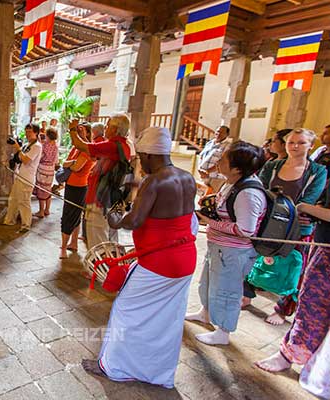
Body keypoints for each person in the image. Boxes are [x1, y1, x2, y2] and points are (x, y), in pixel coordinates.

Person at [81, 126, 197, 388]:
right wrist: (139, 187)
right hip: (185, 259)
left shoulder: (154, 181)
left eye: (141, 157)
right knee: (167, 319)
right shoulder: (187, 177)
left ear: (150, 155)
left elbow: (134, 220)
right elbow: (176, 213)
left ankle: (115, 366)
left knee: (126, 311)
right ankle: (156, 372)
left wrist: (115, 217)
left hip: (158, 262)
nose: (140, 163)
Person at [186, 141, 267, 345]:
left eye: (224, 159)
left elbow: (246, 230)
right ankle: (205, 312)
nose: (219, 162)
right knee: (209, 283)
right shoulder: (233, 183)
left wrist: (209, 222)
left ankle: (223, 331)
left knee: (226, 290)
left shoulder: (248, 193)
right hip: (220, 248)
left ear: (237, 168)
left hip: (233, 252)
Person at [255, 188, 330, 374]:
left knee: (313, 306)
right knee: (309, 304)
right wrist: (313, 213)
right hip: (323, 244)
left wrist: (305, 207)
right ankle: (294, 354)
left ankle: (290, 354)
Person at [257, 128, 326, 325]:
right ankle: (247, 292)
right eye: (291, 142)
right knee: (259, 259)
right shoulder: (273, 166)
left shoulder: (317, 172)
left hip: (298, 228)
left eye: (301, 143)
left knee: (293, 268)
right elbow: (261, 190)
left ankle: (282, 309)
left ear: (311, 146)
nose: (295, 146)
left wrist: (295, 213)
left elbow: (309, 199)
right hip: (269, 222)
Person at [69, 114, 132, 248]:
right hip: (110, 199)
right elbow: (92, 151)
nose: (106, 129)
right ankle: (106, 266)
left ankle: (100, 267)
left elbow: (81, 146)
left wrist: (72, 130)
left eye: (108, 126)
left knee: (98, 242)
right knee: (107, 238)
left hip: (100, 201)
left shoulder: (113, 146)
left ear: (115, 129)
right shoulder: (123, 145)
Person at [59, 123, 95, 259]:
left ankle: (63, 248)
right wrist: (71, 162)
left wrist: (71, 163)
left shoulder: (87, 149)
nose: (77, 133)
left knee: (70, 215)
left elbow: (76, 167)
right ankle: (73, 243)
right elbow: (65, 163)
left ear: (87, 133)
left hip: (78, 187)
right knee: (74, 214)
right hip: (72, 184)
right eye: (76, 130)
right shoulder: (76, 147)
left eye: (81, 130)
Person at [3, 124, 42, 233]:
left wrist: (17, 147)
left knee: (24, 202)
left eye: (30, 132)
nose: (27, 134)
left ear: (36, 132)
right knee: (13, 199)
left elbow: (26, 160)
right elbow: (19, 159)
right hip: (19, 175)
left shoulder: (37, 146)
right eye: (26, 131)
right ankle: (10, 220)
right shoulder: (27, 144)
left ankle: (26, 225)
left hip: (27, 178)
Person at [198, 126, 232, 193]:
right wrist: (200, 169)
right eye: (218, 131)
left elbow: (223, 162)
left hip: (216, 178)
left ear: (227, 135)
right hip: (203, 176)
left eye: (222, 132)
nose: (219, 133)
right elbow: (201, 156)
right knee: (201, 197)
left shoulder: (228, 146)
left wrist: (207, 172)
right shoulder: (210, 143)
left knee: (211, 199)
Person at [34, 128, 58, 218]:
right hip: (51, 169)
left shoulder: (44, 145)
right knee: (48, 189)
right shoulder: (55, 146)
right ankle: (47, 209)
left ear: (47, 136)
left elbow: (41, 156)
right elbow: (56, 160)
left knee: (41, 189)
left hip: (43, 168)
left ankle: (41, 211)